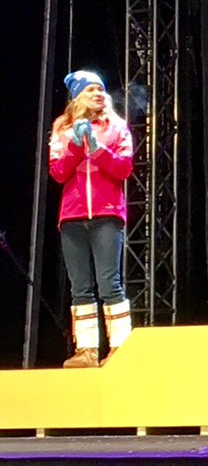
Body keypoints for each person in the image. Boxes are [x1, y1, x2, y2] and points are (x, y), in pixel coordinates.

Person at [48, 70, 134, 368]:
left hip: (107, 213)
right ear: (77, 97)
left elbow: (123, 169)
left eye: (101, 89)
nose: (98, 94)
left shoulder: (117, 128)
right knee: (80, 286)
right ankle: (87, 351)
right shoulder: (62, 129)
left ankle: (121, 350)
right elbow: (58, 173)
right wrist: (75, 146)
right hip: (72, 217)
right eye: (90, 90)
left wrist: (96, 150)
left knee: (110, 283)